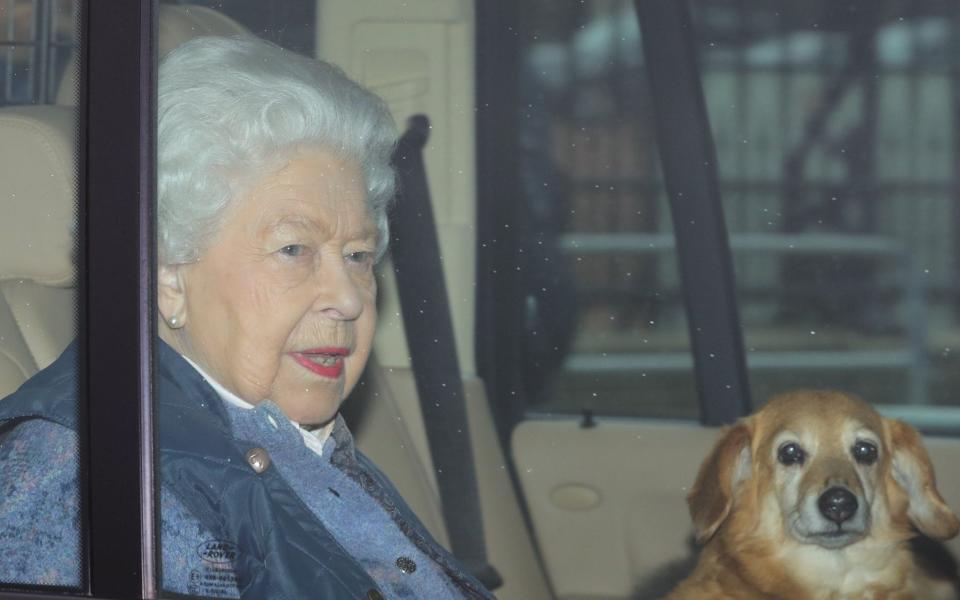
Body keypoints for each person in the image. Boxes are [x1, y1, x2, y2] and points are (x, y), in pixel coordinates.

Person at [0, 36, 494, 600]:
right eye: (293, 250)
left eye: (358, 256)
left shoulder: (293, 441)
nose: (351, 299)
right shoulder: (90, 481)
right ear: (167, 276)